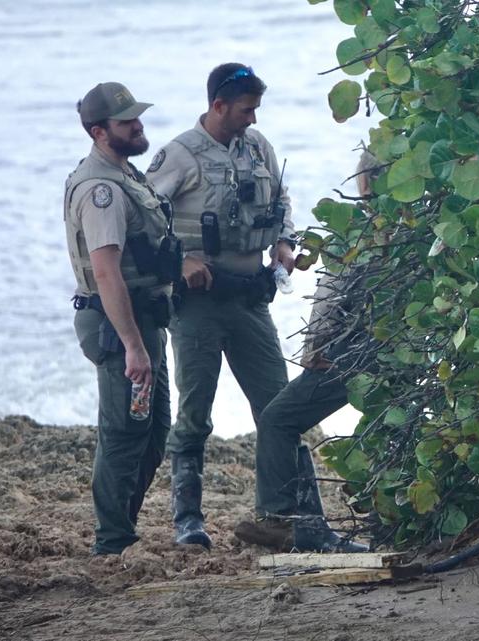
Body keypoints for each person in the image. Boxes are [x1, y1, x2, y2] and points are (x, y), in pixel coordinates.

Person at [146, 63, 298, 548]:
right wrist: (182, 258)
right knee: (195, 412)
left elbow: (282, 199)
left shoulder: (259, 147)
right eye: (246, 109)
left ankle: (293, 515)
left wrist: (284, 243)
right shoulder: (180, 155)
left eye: (256, 109)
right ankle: (187, 520)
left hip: (251, 297)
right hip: (199, 305)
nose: (253, 118)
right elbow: (143, 217)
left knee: (281, 406)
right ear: (218, 106)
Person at [233, 153, 385, 552]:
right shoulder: (420, 227)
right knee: (385, 427)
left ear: (363, 183)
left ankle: (286, 521)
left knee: (279, 420)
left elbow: (330, 302)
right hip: (404, 353)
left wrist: (313, 350)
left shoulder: (356, 230)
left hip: (351, 355)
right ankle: (390, 524)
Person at [64, 82, 181, 555]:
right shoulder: (101, 191)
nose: (138, 125)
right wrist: (133, 346)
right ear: (99, 132)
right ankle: (112, 542)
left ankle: (120, 530)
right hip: (119, 327)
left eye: (137, 117)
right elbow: (107, 273)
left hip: (142, 321)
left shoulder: (127, 175)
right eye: (126, 121)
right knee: (124, 433)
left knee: (154, 432)